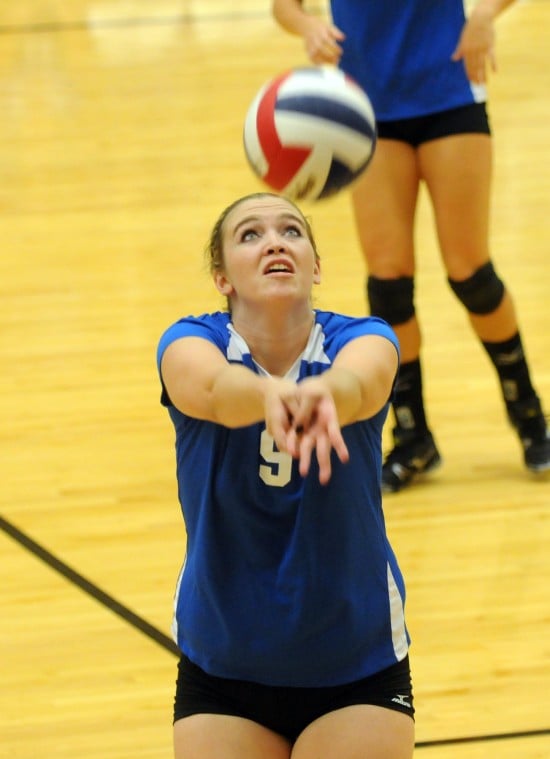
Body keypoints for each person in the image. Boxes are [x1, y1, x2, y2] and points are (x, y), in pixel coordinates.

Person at [157, 192, 415, 759]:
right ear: (222, 278)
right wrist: (270, 395)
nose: (275, 241)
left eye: (292, 232)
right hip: (225, 661)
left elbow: (363, 383)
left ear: (316, 266)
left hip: (355, 659)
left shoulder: (363, 339)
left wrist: (325, 393)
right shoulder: (189, 343)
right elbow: (215, 391)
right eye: (250, 234)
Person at [272, 0, 550, 492]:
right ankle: (413, 435)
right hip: (369, 107)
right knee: (389, 281)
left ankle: (529, 415)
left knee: (471, 274)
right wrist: (307, 26)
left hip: (450, 94)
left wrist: (485, 15)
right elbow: (284, 7)